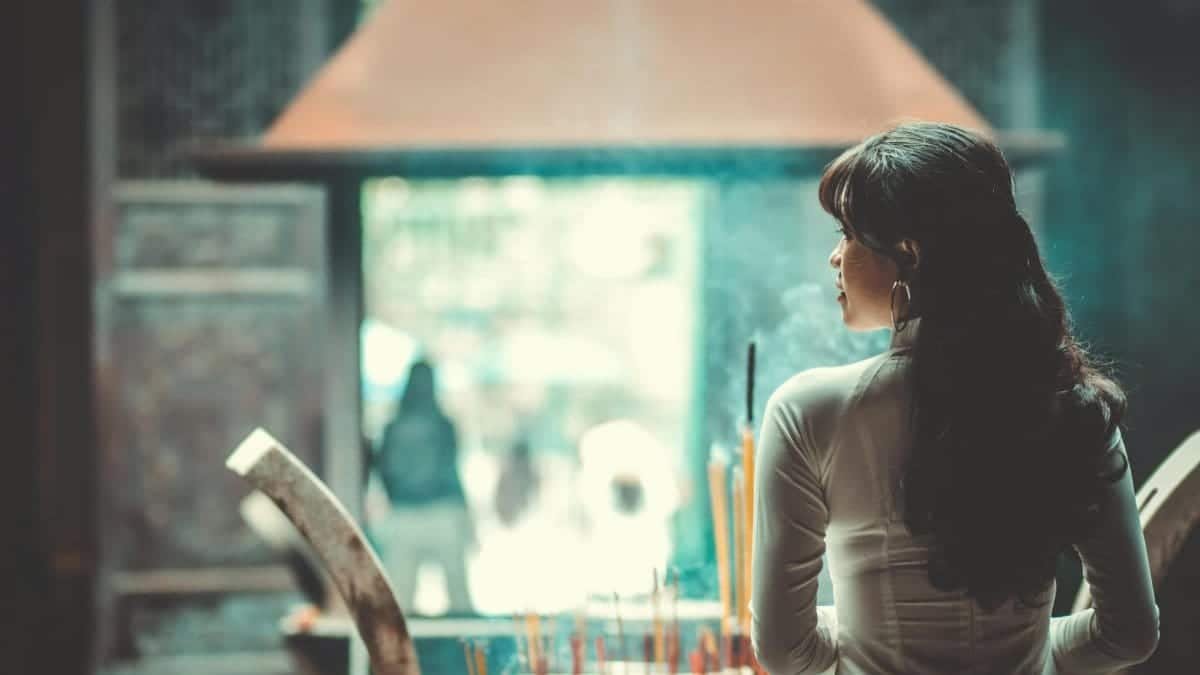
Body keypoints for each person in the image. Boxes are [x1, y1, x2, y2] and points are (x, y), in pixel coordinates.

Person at [749, 122, 1159, 675]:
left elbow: (784, 650)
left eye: (847, 232)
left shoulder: (810, 411)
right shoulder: (1075, 408)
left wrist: (865, 643)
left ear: (909, 253)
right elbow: (1129, 634)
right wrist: (1026, 653)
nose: (834, 257)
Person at [373, 359, 475, 614]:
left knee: (401, 601)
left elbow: (384, 471)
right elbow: (451, 470)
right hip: (439, 511)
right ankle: (462, 652)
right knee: (458, 597)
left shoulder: (393, 428)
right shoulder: (443, 426)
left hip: (406, 513)